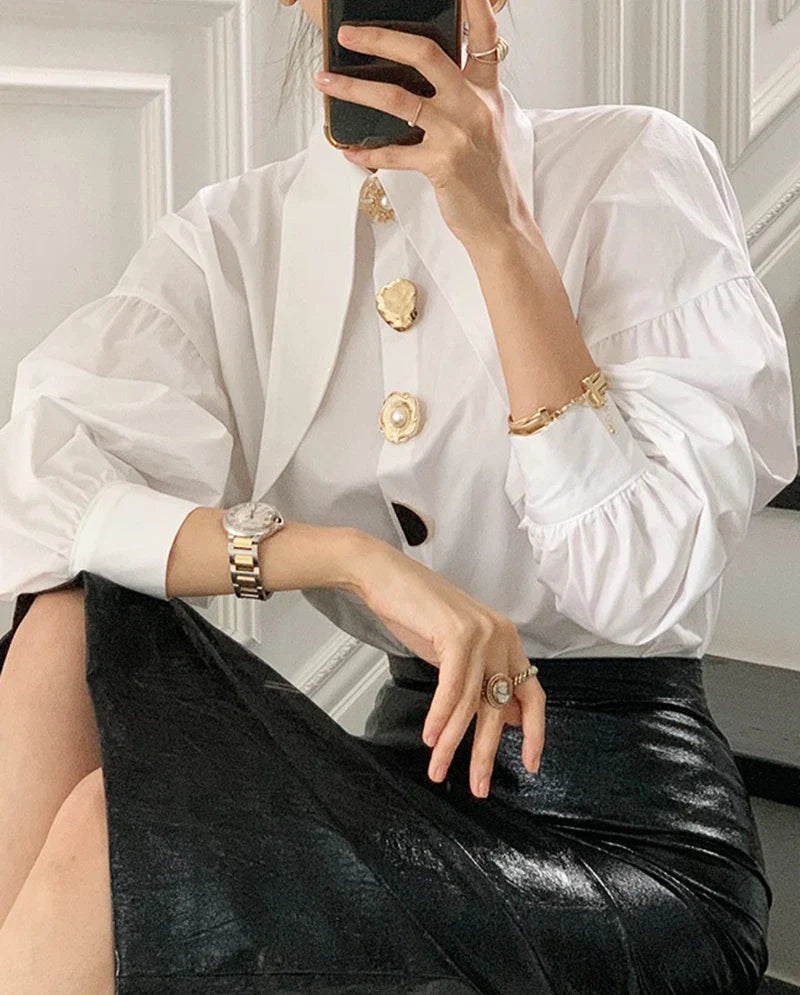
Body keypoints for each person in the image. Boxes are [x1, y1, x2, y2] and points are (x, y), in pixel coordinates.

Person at [0, 0, 796, 991]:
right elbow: (41, 501)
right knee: (66, 621)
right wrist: (349, 559)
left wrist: (497, 230)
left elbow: (633, 581)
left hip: (625, 834)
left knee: (108, 845)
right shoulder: (235, 239)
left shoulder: (632, 167)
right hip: (407, 773)